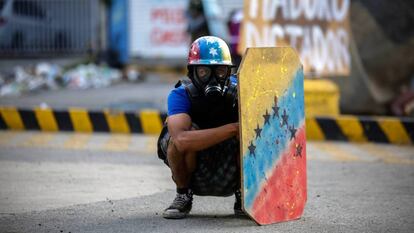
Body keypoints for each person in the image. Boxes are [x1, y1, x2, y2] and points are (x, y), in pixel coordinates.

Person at [157, 36, 242, 219]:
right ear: (193, 72)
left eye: (219, 71)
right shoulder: (181, 94)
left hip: (230, 162)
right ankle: (183, 194)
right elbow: (181, 140)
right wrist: (234, 128)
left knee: (252, 134)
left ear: (228, 72)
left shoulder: (242, 91)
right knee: (172, 140)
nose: (212, 78)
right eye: (204, 71)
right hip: (193, 163)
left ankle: (244, 193)